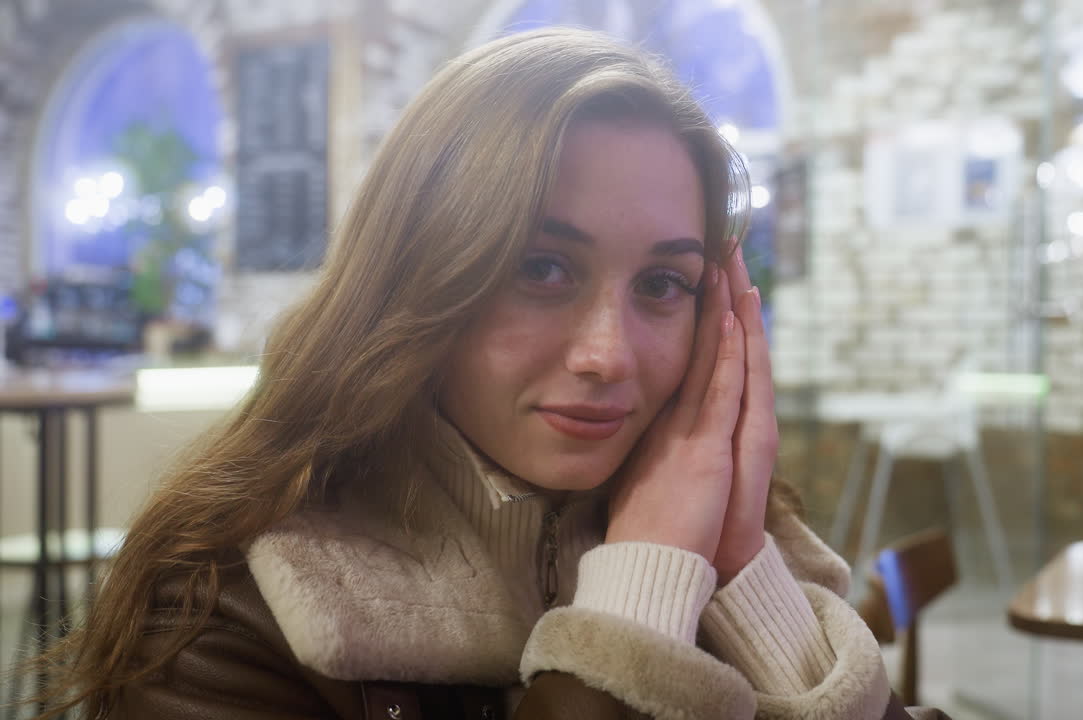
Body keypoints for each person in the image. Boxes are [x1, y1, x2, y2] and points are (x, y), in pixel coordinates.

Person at [17, 28, 946, 720]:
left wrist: (745, 573)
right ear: (419, 277)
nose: (609, 355)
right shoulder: (230, 607)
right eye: (541, 269)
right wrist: (637, 605)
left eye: (665, 284)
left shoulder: (724, 537)